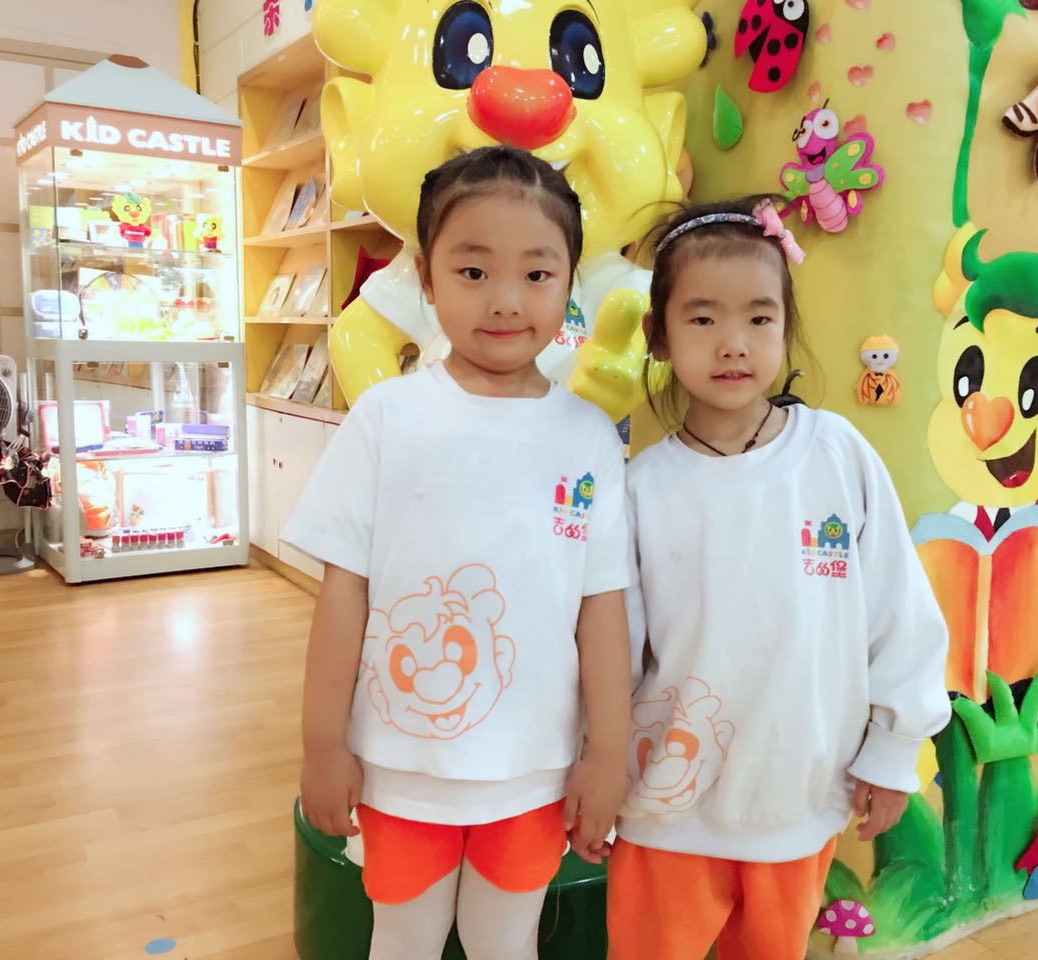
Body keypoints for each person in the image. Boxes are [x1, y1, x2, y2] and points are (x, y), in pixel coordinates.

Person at [283, 146, 632, 960]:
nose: (506, 300)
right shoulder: (386, 418)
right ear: (427, 279)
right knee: (402, 941)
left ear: (570, 285)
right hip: (401, 766)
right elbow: (343, 594)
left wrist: (607, 756)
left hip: (536, 769)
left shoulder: (588, 438)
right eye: (474, 272)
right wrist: (322, 744)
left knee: (505, 943)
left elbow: (602, 607)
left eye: (537, 274)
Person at [606, 198, 951, 959]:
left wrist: (894, 750)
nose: (734, 343)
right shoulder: (640, 488)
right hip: (665, 811)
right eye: (702, 318)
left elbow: (899, 612)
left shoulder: (836, 455)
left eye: (759, 318)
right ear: (659, 335)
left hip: (796, 801)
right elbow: (612, 654)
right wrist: (594, 768)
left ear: (785, 326)